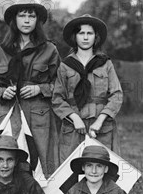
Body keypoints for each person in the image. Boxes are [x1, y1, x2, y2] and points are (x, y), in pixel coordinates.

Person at [0, 0, 60, 175]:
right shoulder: (1, 50)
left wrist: (40, 88)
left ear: (37, 21)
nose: (26, 20)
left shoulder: (49, 50)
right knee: (3, 156)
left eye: (31, 16)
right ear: (14, 20)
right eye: (22, 15)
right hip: (8, 113)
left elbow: (61, 84)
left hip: (38, 115)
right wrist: (3, 92)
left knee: (40, 162)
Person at [52, 14, 123, 163]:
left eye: (89, 33)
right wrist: (74, 118)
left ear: (95, 37)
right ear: (74, 37)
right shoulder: (66, 65)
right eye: (81, 33)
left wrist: (100, 120)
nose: (85, 37)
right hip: (73, 127)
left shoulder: (105, 63)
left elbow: (116, 95)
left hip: (101, 127)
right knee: (71, 169)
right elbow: (57, 98)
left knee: (102, 165)